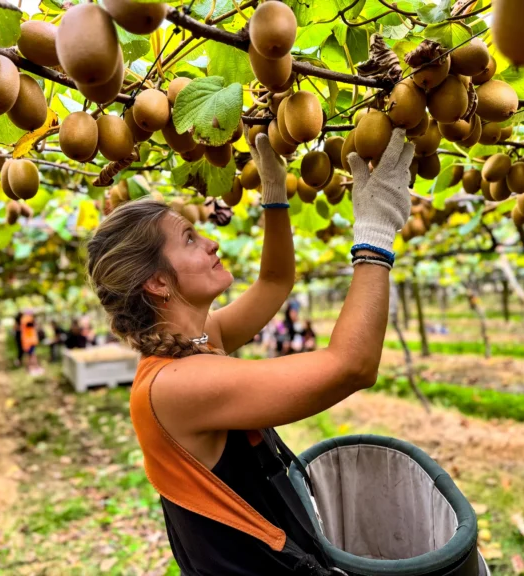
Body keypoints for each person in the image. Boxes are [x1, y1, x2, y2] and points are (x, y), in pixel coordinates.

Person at [86, 129, 413, 574]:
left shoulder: (198, 343)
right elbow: (351, 367)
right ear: (158, 282)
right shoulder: (175, 386)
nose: (212, 242)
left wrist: (274, 197)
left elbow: (275, 282)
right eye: (188, 239)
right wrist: (374, 239)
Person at [19, 310, 42, 375]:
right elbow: (31, 325)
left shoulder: (24, 319)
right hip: (29, 341)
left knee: (30, 355)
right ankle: (33, 368)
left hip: (28, 341)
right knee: (32, 355)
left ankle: (30, 368)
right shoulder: (27, 319)